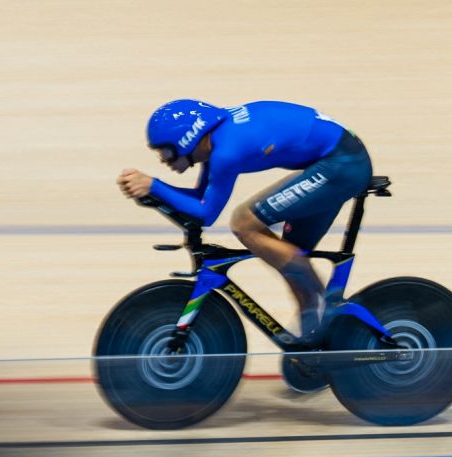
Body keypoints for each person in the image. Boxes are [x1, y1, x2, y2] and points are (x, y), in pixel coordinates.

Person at [118, 99, 372, 345]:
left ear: (187, 138)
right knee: (287, 254)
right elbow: (199, 199)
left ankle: (322, 302)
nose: (163, 159)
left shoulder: (226, 152)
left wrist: (153, 185)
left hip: (341, 164)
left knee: (244, 222)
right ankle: (315, 341)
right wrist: (153, 192)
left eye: (164, 151)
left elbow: (206, 214)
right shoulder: (216, 139)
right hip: (334, 159)